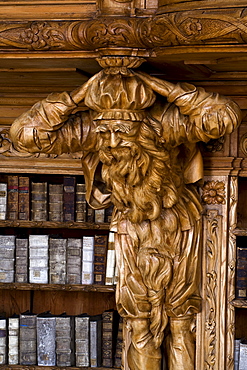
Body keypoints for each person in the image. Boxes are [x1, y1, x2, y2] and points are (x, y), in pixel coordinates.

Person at [9, 57, 242, 370]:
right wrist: (78, 96)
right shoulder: (94, 131)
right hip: (131, 227)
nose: (113, 142)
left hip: (178, 224)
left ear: (141, 127)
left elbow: (223, 118)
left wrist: (160, 87)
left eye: (122, 131)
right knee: (140, 325)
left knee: (181, 321)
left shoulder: (163, 126)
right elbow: (23, 135)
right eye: (106, 132)